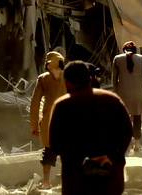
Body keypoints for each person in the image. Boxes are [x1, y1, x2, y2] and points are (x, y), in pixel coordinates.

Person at [49, 61, 133, 195]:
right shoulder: (112, 100)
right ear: (90, 79)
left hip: (76, 181)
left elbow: (55, 144)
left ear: (66, 82)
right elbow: (127, 132)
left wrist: (80, 158)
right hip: (109, 178)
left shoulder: (62, 105)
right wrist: (110, 156)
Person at [29, 51, 67, 189]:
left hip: (49, 121)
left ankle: (46, 181)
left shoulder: (43, 78)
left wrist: (34, 125)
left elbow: (35, 102)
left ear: (48, 64)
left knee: (48, 151)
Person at [112, 41, 142, 152]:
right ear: (135, 50)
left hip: (123, 94)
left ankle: (126, 143)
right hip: (139, 94)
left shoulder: (117, 59)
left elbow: (114, 80)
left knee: (123, 119)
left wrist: (115, 95)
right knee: (137, 118)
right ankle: (137, 143)